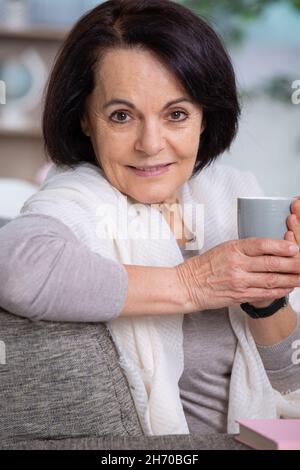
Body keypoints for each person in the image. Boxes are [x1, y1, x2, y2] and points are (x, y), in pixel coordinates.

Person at [0, 0, 300, 435]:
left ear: (203, 119)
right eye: (121, 116)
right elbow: (17, 269)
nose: (150, 143)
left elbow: (290, 382)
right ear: (86, 119)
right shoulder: (79, 200)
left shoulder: (230, 195)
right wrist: (194, 283)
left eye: (176, 114)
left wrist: (264, 294)